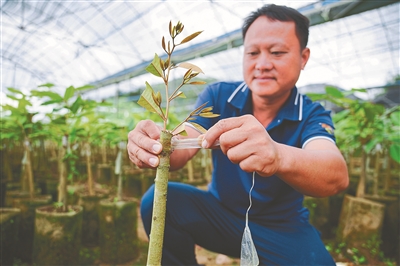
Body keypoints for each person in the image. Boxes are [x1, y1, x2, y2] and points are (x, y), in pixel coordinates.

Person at [127, 4, 349, 265]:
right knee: (160, 199)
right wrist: (154, 146)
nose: (263, 64)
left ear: (303, 57)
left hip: (282, 229)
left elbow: (335, 175)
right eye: (253, 52)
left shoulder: (311, 114)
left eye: (277, 52)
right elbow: (183, 145)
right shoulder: (219, 96)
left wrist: (277, 156)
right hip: (219, 217)